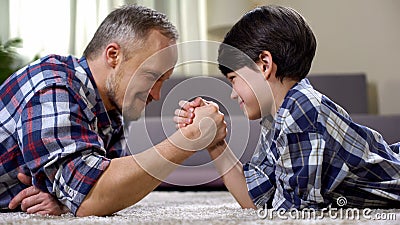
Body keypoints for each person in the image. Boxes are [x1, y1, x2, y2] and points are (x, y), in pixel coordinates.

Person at [0, 5, 227, 216]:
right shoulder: (53, 87)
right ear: (113, 55)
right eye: (152, 77)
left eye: (163, 81)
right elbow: (93, 195)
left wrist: (64, 198)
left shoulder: (111, 113)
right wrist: (190, 138)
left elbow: (113, 190)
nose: (157, 95)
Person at [176, 5, 400, 210]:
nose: (233, 93)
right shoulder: (277, 116)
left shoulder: (301, 112)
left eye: (234, 79)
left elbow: (291, 215)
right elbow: (256, 201)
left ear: (265, 65)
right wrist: (215, 142)